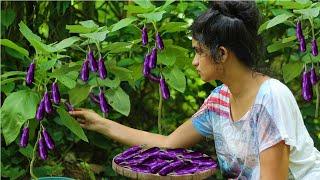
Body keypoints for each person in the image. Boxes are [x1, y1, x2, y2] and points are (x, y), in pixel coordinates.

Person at [69, 1, 320, 179]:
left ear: (221, 54)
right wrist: (100, 123)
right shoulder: (218, 102)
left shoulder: (271, 99)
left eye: (199, 51)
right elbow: (168, 143)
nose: (194, 61)